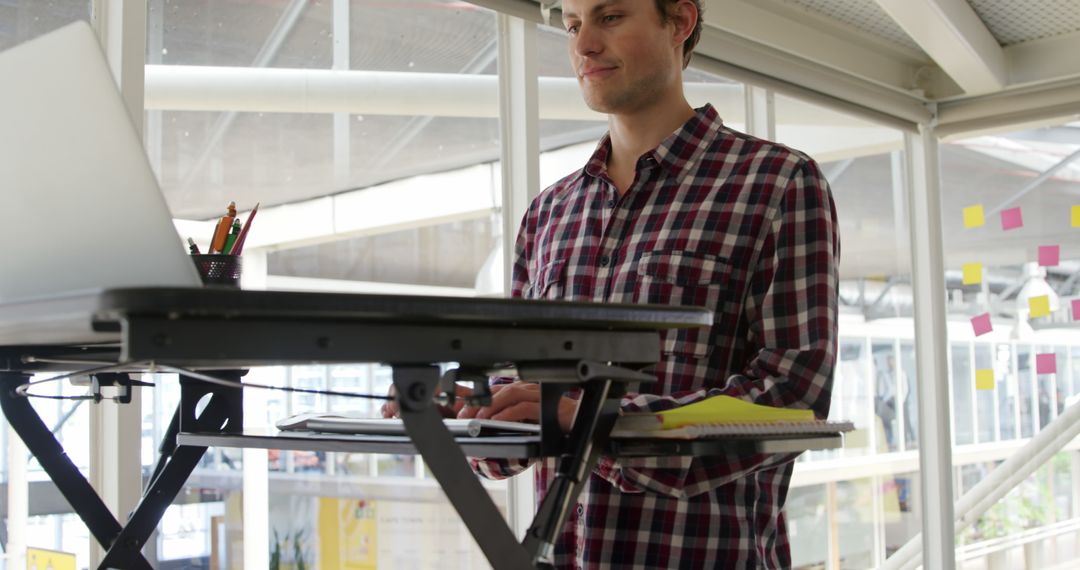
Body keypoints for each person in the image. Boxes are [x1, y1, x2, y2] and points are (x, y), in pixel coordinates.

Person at [385, 0, 839, 566]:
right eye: (574, 25)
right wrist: (465, 406)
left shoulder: (777, 183)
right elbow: (521, 391)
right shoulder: (550, 212)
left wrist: (595, 422)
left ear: (680, 21)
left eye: (611, 17)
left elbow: (793, 397)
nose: (583, 46)